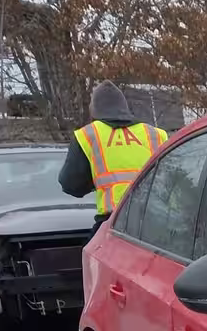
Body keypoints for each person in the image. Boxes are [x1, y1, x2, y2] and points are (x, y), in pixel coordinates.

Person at [58, 81, 168, 228]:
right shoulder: (156, 134)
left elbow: (71, 185)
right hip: (159, 222)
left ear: (95, 110)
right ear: (124, 107)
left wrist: (94, 181)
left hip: (114, 225)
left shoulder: (88, 135)